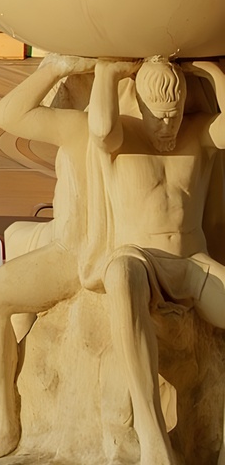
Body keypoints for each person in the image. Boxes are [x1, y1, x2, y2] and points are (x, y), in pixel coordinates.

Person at [0, 53, 99, 465]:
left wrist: (54, 66)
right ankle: (9, 378)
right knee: (17, 235)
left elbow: (8, 113)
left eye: (61, 89)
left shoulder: (82, 127)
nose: (52, 96)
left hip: (78, 249)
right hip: (63, 231)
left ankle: (4, 426)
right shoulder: (99, 125)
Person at [89, 58, 225, 465]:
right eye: (159, 117)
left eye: (175, 115)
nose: (168, 126)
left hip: (192, 263)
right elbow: (99, 129)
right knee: (119, 272)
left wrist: (215, 75)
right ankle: (151, 436)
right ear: (141, 107)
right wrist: (107, 75)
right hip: (142, 259)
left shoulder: (198, 133)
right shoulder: (121, 136)